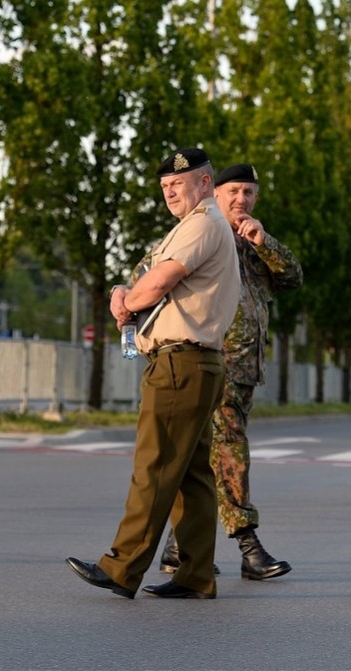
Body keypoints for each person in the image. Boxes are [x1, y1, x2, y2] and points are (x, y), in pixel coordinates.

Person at [66, 148, 239, 599]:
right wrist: (129, 288)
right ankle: (196, 575)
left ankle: (122, 567)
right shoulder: (198, 225)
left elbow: (161, 280)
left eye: (176, 185)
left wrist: (125, 299)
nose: (168, 194)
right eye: (164, 187)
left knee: (155, 465)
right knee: (192, 475)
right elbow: (153, 277)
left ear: (203, 183)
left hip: (182, 362)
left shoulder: (202, 222)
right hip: (198, 362)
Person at [158, 163, 303, 581]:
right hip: (214, 360)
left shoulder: (253, 241)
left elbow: (292, 278)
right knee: (229, 451)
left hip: (244, 368)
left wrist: (265, 242)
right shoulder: (204, 231)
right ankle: (248, 545)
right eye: (234, 191)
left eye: (250, 193)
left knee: (206, 456)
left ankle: (177, 547)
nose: (242, 200)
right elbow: (152, 271)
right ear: (216, 193)